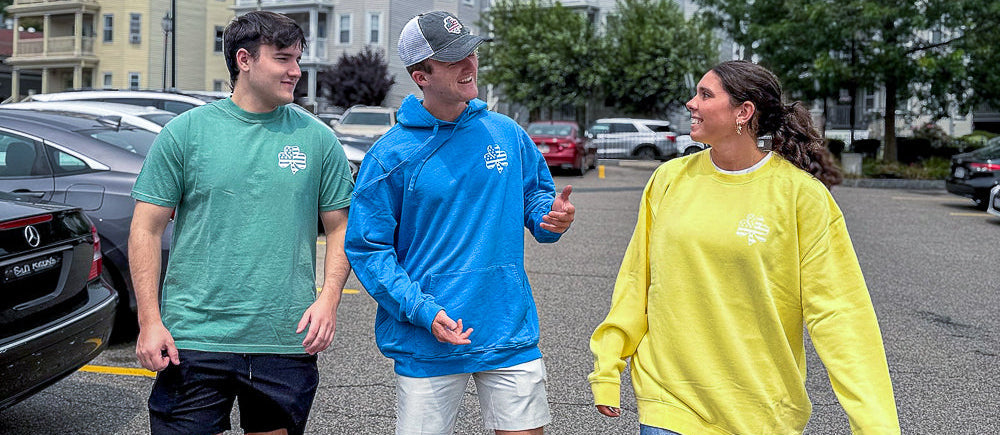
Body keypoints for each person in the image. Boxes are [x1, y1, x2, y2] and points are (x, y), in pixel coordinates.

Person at [588, 60, 900, 434]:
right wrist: (609, 363)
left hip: (761, 411)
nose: (691, 103)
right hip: (669, 401)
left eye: (705, 95)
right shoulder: (668, 180)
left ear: (744, 111)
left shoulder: (801, 197)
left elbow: (840, 315)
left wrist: (875, 425)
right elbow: (636, 281)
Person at [344, 10, 575, 435]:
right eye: (453, 60)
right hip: (426, 336)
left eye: (471, 53)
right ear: (421, 76)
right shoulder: (389, 156)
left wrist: (550, 217)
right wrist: (420, 310)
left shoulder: (506, 133)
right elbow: (367, 248)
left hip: (507, 328)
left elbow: (536, 197)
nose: (470, 66)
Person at [129, 11, 354, 435]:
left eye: (298, 59)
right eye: (284, 58)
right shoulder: (185, 133)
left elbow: (340, 227)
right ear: (245, 60)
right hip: (194, 339)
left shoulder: (317, 138)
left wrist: (328, 301)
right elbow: (146, 228)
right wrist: (150, 321)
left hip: (284, 338)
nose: (296, 71)